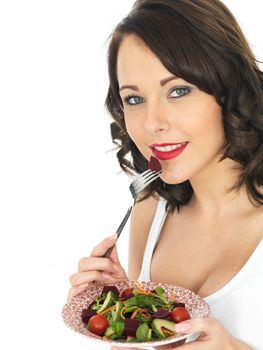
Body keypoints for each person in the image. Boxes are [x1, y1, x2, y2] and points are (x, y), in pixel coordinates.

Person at [68, 0, 263, 349]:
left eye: (178, 91)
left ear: (227, 87)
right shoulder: (151, 207)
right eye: (134, 99)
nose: (151, 124)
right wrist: (124, 314)